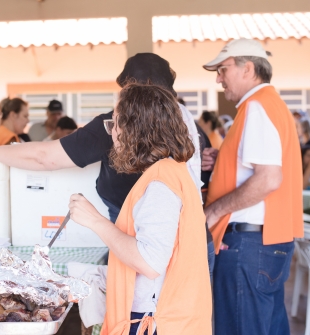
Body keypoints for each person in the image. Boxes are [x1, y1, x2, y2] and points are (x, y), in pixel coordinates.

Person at [0, 53, 217, 277]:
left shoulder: (136, 147)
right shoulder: (189, 128)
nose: (115, 129)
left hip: (143, 250)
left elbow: (44, 156)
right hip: (193, 241)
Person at [69, 83, 212, 335]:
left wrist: (95, 221)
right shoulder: (171, 171)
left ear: (134, 128)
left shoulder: (160, 182)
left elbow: (150, 262)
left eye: (115, 124)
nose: (112, 133)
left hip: (156, 321)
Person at [202, 38, 303, 335]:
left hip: (248, 246)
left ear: (248, 69)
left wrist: (213, 211)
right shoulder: (271, 104)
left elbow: (269, 178)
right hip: (267, 243)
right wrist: (225, 161)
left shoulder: (257, 107)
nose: (219, 79)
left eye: (222, 69)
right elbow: (265, 169)